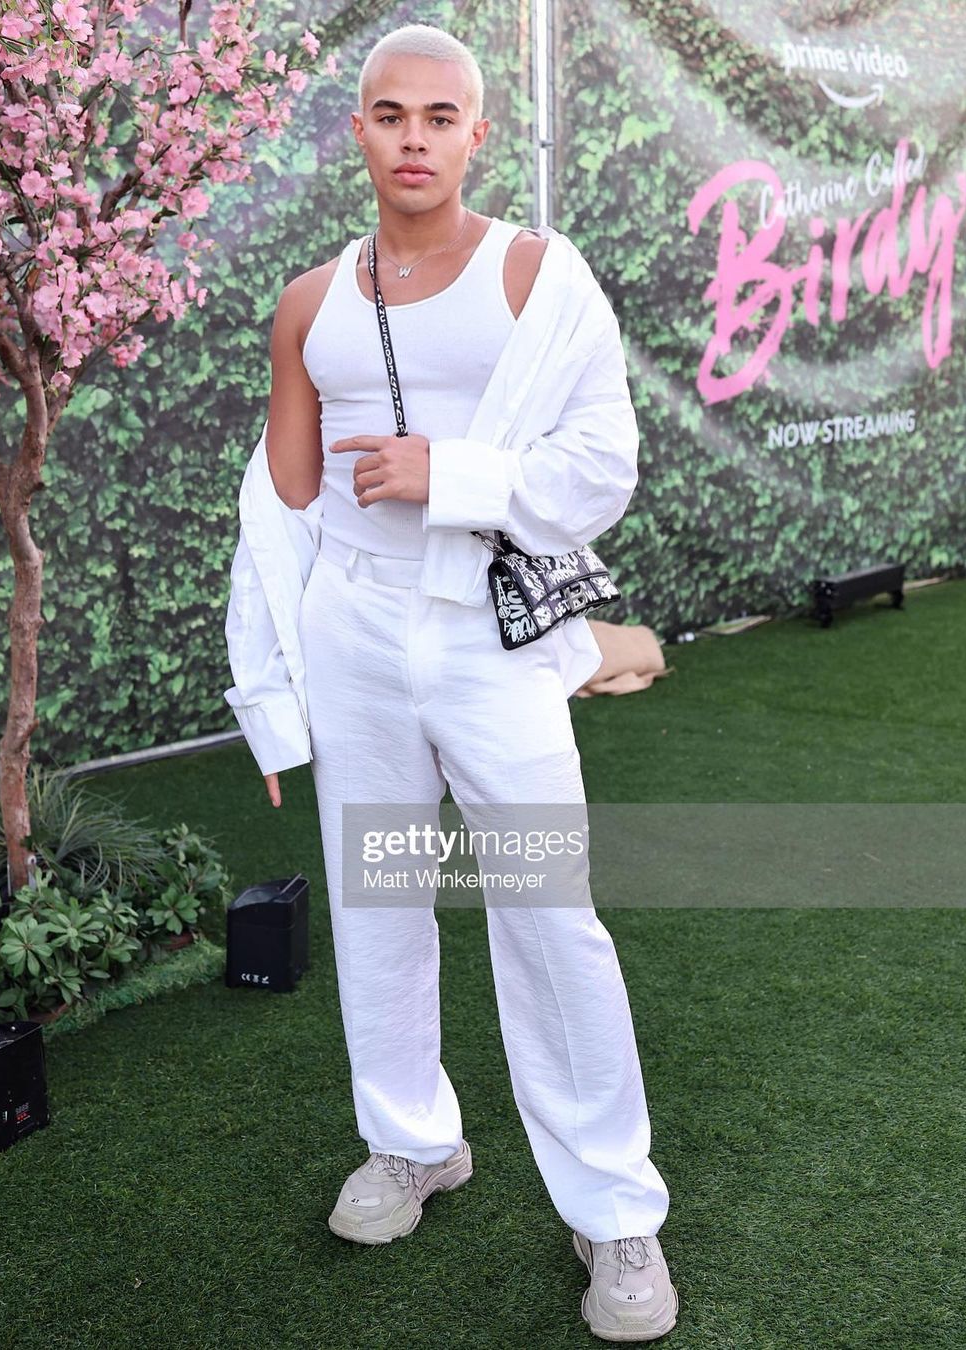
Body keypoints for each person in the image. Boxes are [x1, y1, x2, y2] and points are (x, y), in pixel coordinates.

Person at [223, 22, 679, 1343]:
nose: (414, 138)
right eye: (390, 114)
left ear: (478, 132)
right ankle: (413, 1140)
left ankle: (614, 1210)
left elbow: (603, 465)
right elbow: (279, 508)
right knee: (379, 899)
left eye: (440, 116)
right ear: (357, 130)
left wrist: (453, 475)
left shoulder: (539, 274)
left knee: (546, 912)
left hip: (488, 641)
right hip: (355, 635)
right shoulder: (308, 303)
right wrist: (271, 692)